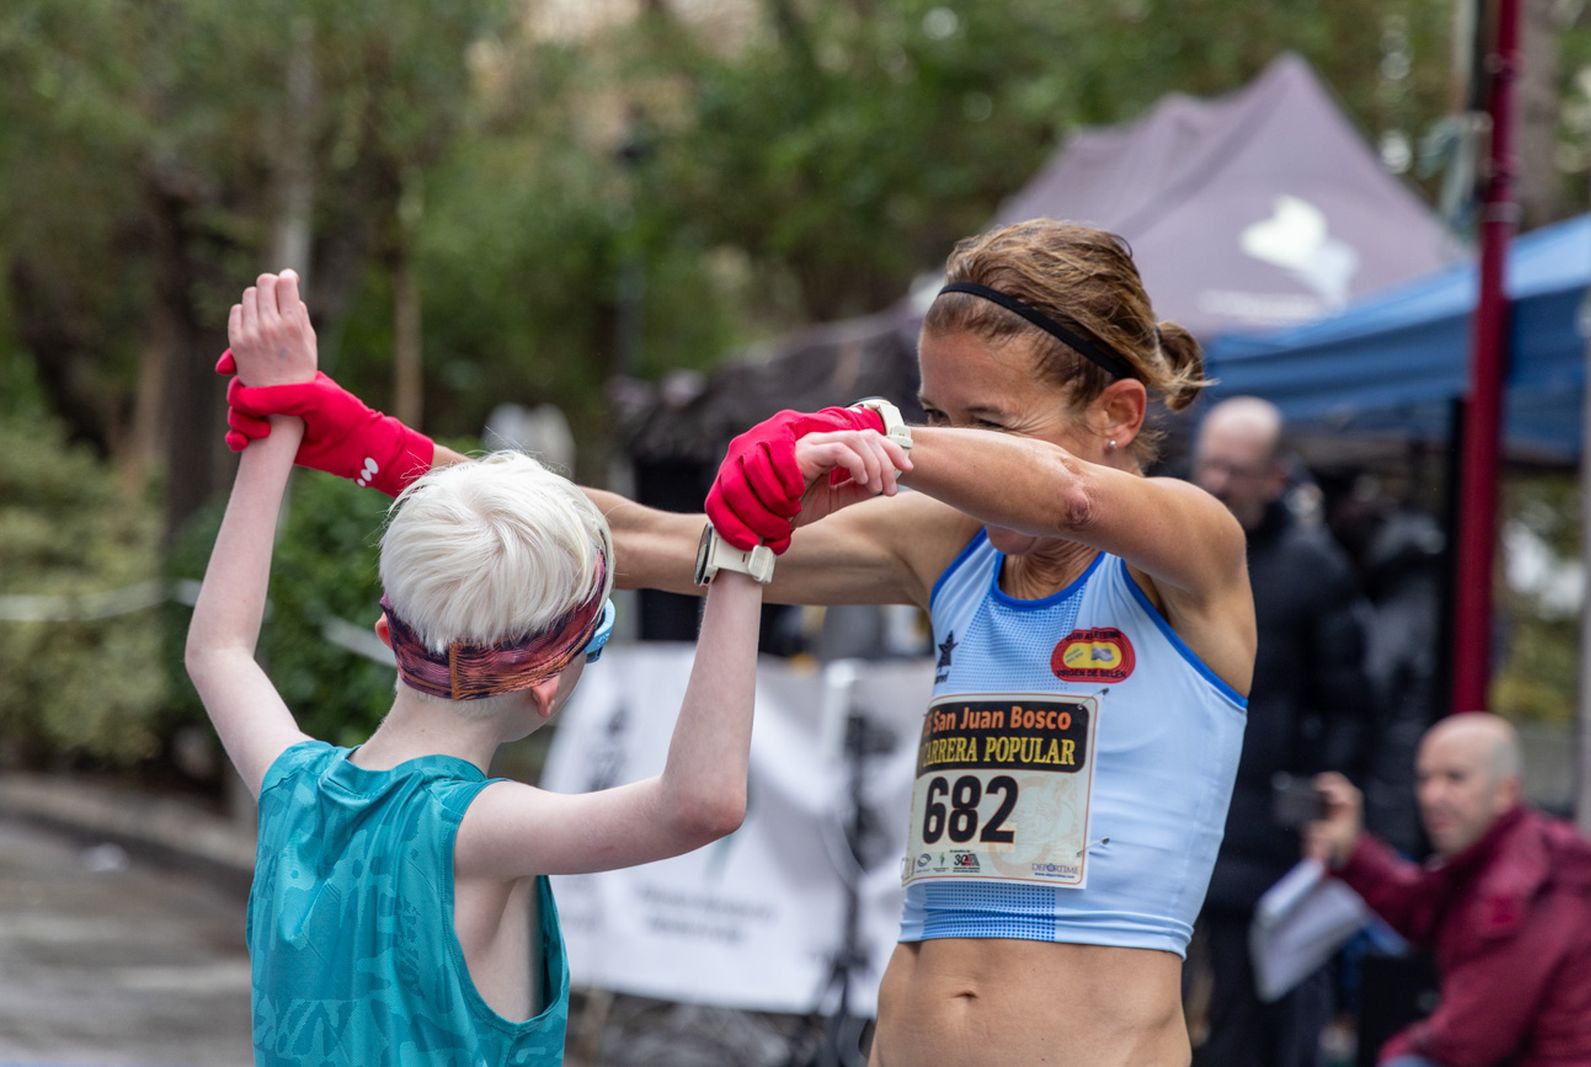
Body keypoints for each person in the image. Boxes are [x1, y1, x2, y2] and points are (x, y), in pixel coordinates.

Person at [222, 220, 1256, 1067]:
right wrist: (371, 446)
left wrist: (879, 436)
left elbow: (1071, 496)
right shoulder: (944, 548)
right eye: (940, 413)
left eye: (988, 425)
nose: (954, 455)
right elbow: (643, 542)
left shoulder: (1190, 549)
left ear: (1119, 411)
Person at [190, 270, 907, 1064]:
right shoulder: (477, 830)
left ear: (388, 628)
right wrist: (744, 546)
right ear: (550, 680)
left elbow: (218, 647)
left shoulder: (292, 788)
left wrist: (276, 415)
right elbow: (699, 803)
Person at [1188, 395, 1374, 1067]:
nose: (1217, 482)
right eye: (1209, 463)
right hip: (1170, 819)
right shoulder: (1169, 540)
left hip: (1260, 837)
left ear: (1274, 477)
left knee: (1245, 1020)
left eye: (1236, 470)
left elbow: (1352, 705)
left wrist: (1313, 802)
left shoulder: (1313, 568)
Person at [1305, 713, 1591, 1067]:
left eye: (1455, 778)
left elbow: (1469, 1038)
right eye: (1424, 778)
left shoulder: (1516, 886)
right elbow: (1420, 907)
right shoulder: (1493, 857)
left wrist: (1397, 1052)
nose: (1433, 796)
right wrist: (1352, 851)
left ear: (1506, 790)